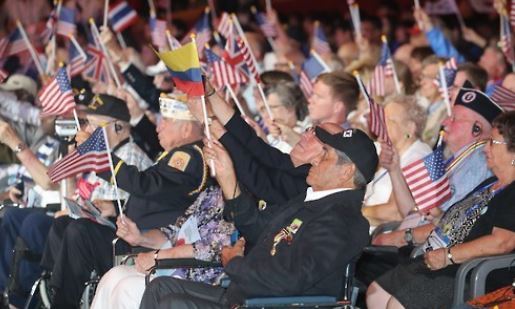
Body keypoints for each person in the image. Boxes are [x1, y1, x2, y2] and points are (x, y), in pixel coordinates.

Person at [139, 126, 378, 308]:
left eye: (325, 155)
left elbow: (288, 280)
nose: (315, 158)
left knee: (173, 305)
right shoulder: (310, 201)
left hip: (271, 303)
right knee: (161, 287)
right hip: (247, 295)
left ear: (346, 172)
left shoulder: (343, 220)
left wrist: (234, 263)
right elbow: (256, 226)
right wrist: (229, 180)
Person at [41, 95, 208, 308]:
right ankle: (56, 291)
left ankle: (63, 303)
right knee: (65, 224)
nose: (159, 126)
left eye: (166, 121)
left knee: (80, 231)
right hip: (137, 236)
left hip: (152, 244)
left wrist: (100, 158)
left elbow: (148, 185)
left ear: (186, 129)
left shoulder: (189, 155)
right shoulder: (174, 154)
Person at [0, 93, 152, 307]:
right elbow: (75, 195)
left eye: (93, 124)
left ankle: (45, 295)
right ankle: (30, 291)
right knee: (20, 217)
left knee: (51, 225)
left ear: (118, 126)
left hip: (110, 235)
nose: (86, 130)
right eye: (86, 123)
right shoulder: (102, 153)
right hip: (78, 222)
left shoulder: (130, 157)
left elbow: (117, 210)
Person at [366, 111, 515, 308]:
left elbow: (503, 242)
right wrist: (441, 220)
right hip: (444, 259)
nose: (485, 148)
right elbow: (468, 223)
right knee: (376, 294)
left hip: (468, 272)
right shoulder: (490, 184)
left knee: (397, 304)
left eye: (492, 143)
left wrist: (450, 255)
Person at [90, 184, 235, 309]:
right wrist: (140, 238)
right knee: (114, 275)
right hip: (172, 270)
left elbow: (216, 247)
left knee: (127, 289)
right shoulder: (211, 193)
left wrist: (157, 256)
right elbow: (172, 232)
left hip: (205, 281)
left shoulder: (240, 201)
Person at [362, 95, 432, 230]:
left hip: (382, 235)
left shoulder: (418, 156)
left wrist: (356, 212)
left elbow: (394, 212)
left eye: (390, 120)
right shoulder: (383, 148)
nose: (382, 125)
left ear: (410, 128)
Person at [257, 81, 310, 153]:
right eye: (266, 108)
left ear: (289, 108)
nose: (267, 114)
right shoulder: (270, 138)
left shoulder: (308, 132)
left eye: (273, 107)